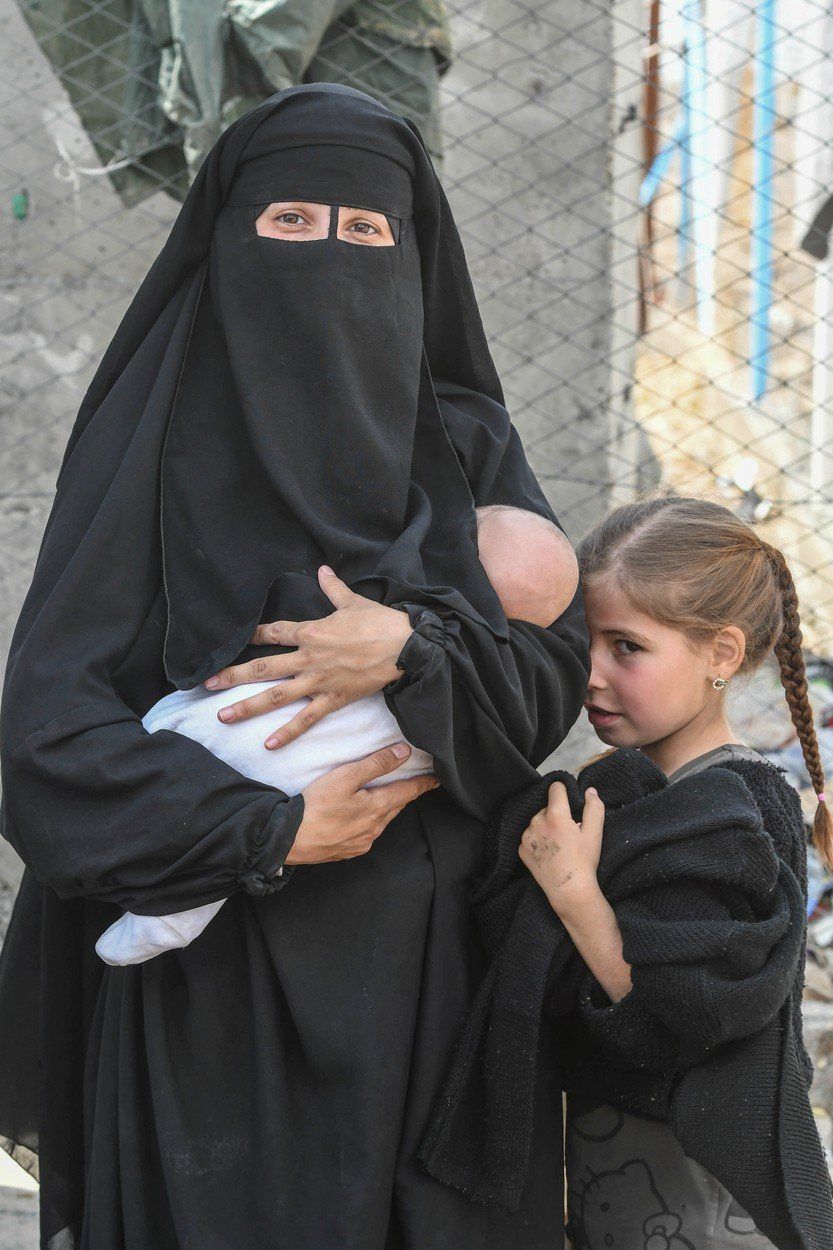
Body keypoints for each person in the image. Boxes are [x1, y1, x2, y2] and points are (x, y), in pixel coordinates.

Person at [0, 84, 590, 1250]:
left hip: (430, 976)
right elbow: (45, 737)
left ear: (414, 258)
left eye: (366, 233)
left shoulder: (461, 443)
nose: (330, 261)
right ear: (224, 241)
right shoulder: (146, 451)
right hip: (206, 985)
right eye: (289, 228)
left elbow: (543, 682)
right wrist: (259, 827)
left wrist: (411, 650)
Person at [517, 495, 833, 1249]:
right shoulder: (648, 786)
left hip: (699, 1193)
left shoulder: (731, 812)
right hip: (629, 1177)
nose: (590, 674)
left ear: (721, 655)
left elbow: (687, 1017)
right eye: (583, 641)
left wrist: (571, 892)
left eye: (625, 647)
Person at [96, 503, 579, 967]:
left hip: (276, 787)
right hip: (242, 762)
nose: (473, 616)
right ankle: (173, 910)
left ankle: (173, 909)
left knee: (204, 743)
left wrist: (423, 650)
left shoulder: (492, 677)